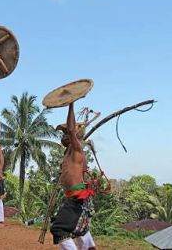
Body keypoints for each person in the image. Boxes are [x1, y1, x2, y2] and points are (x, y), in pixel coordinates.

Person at [50, 103, 97, 250]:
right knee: (78, 228)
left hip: (79, 198)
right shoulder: (68, 153)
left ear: (74, 136)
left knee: (59, 229)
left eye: (66, 134)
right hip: (74, 197)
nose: (63, 137)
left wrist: (71, 103)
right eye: (62, 134)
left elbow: (71, 129)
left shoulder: (77, 149)